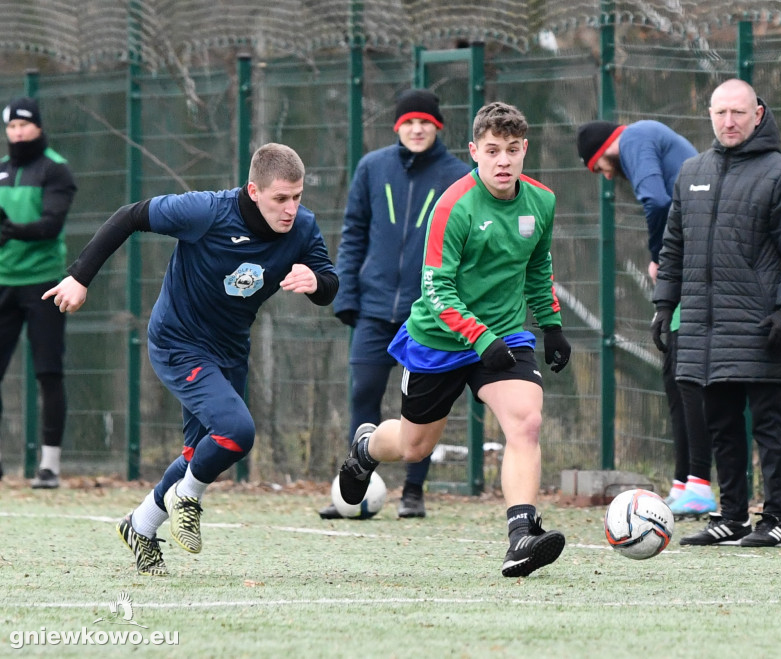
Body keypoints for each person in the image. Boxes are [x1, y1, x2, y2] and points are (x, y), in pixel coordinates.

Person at [43, 143, 338, 575]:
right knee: (237, 431)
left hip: (230, 350)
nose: (291, 208)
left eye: (297, 196)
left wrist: (316, 281)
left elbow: (330, 283)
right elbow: (130, 215)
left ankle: (140, 525)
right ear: (254, 190)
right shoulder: (207, 212)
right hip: (178, 342)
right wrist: (79, 276)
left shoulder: (303, 228)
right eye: (280, 198)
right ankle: (188, 497)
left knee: (201, 450)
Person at [335, 102, 572, 577]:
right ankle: (365, 450)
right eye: (492, 151)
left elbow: (538, 268)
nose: (502, 161)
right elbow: (436, 289)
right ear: (474, 152)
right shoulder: (454, 205)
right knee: (413, 447)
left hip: (504, 335)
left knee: (526, 423)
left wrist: (551, 325)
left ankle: (521, 535)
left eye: (511, 150)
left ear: (525, 149)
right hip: (441, 338)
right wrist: (479, 338)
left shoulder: (541, 201)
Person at [652, 79, 781, 547]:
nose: (729, 121)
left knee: (769, 423)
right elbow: (674, 248)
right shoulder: (691, 171)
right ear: (709, 114)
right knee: (720, 423)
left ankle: (779, 520)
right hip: (703, 326)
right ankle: (732, 517)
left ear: (758, 115)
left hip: (758, 324)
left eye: (739, 113)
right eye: (721, 112)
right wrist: (665, 305)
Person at [319, 89, 470, 520]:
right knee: (363, 394)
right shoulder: (372, 167)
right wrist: (347, 293)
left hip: (428, 313)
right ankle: (352, 493)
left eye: (425, 122)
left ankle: (414, 494)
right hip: (373, 305)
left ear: (438, 126)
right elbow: (353, 234)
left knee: (420, 407)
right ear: (397, 127)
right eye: (408, 122)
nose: (416, 129)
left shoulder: (459, 176)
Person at [574, 119, 707, 515]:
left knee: (685, 376)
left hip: (693, 269)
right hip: (692, 265)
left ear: (602, 153)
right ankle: (685, 482)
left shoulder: (633, 139)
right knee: (674, 375)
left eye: (599, 167)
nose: (607, 175)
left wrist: (660, 259)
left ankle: (698, 482)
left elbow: (657, 201)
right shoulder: (647, 139)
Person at [0, 97, 77, 488]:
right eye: (11, 128)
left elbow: (50, 224)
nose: (17, 133)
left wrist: (11, 230)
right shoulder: (0, 170)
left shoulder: (56, 168)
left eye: (24, 126)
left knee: (48, 372)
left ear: (39, 127)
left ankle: (49, 467)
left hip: (45, 283)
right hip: (2, 283)